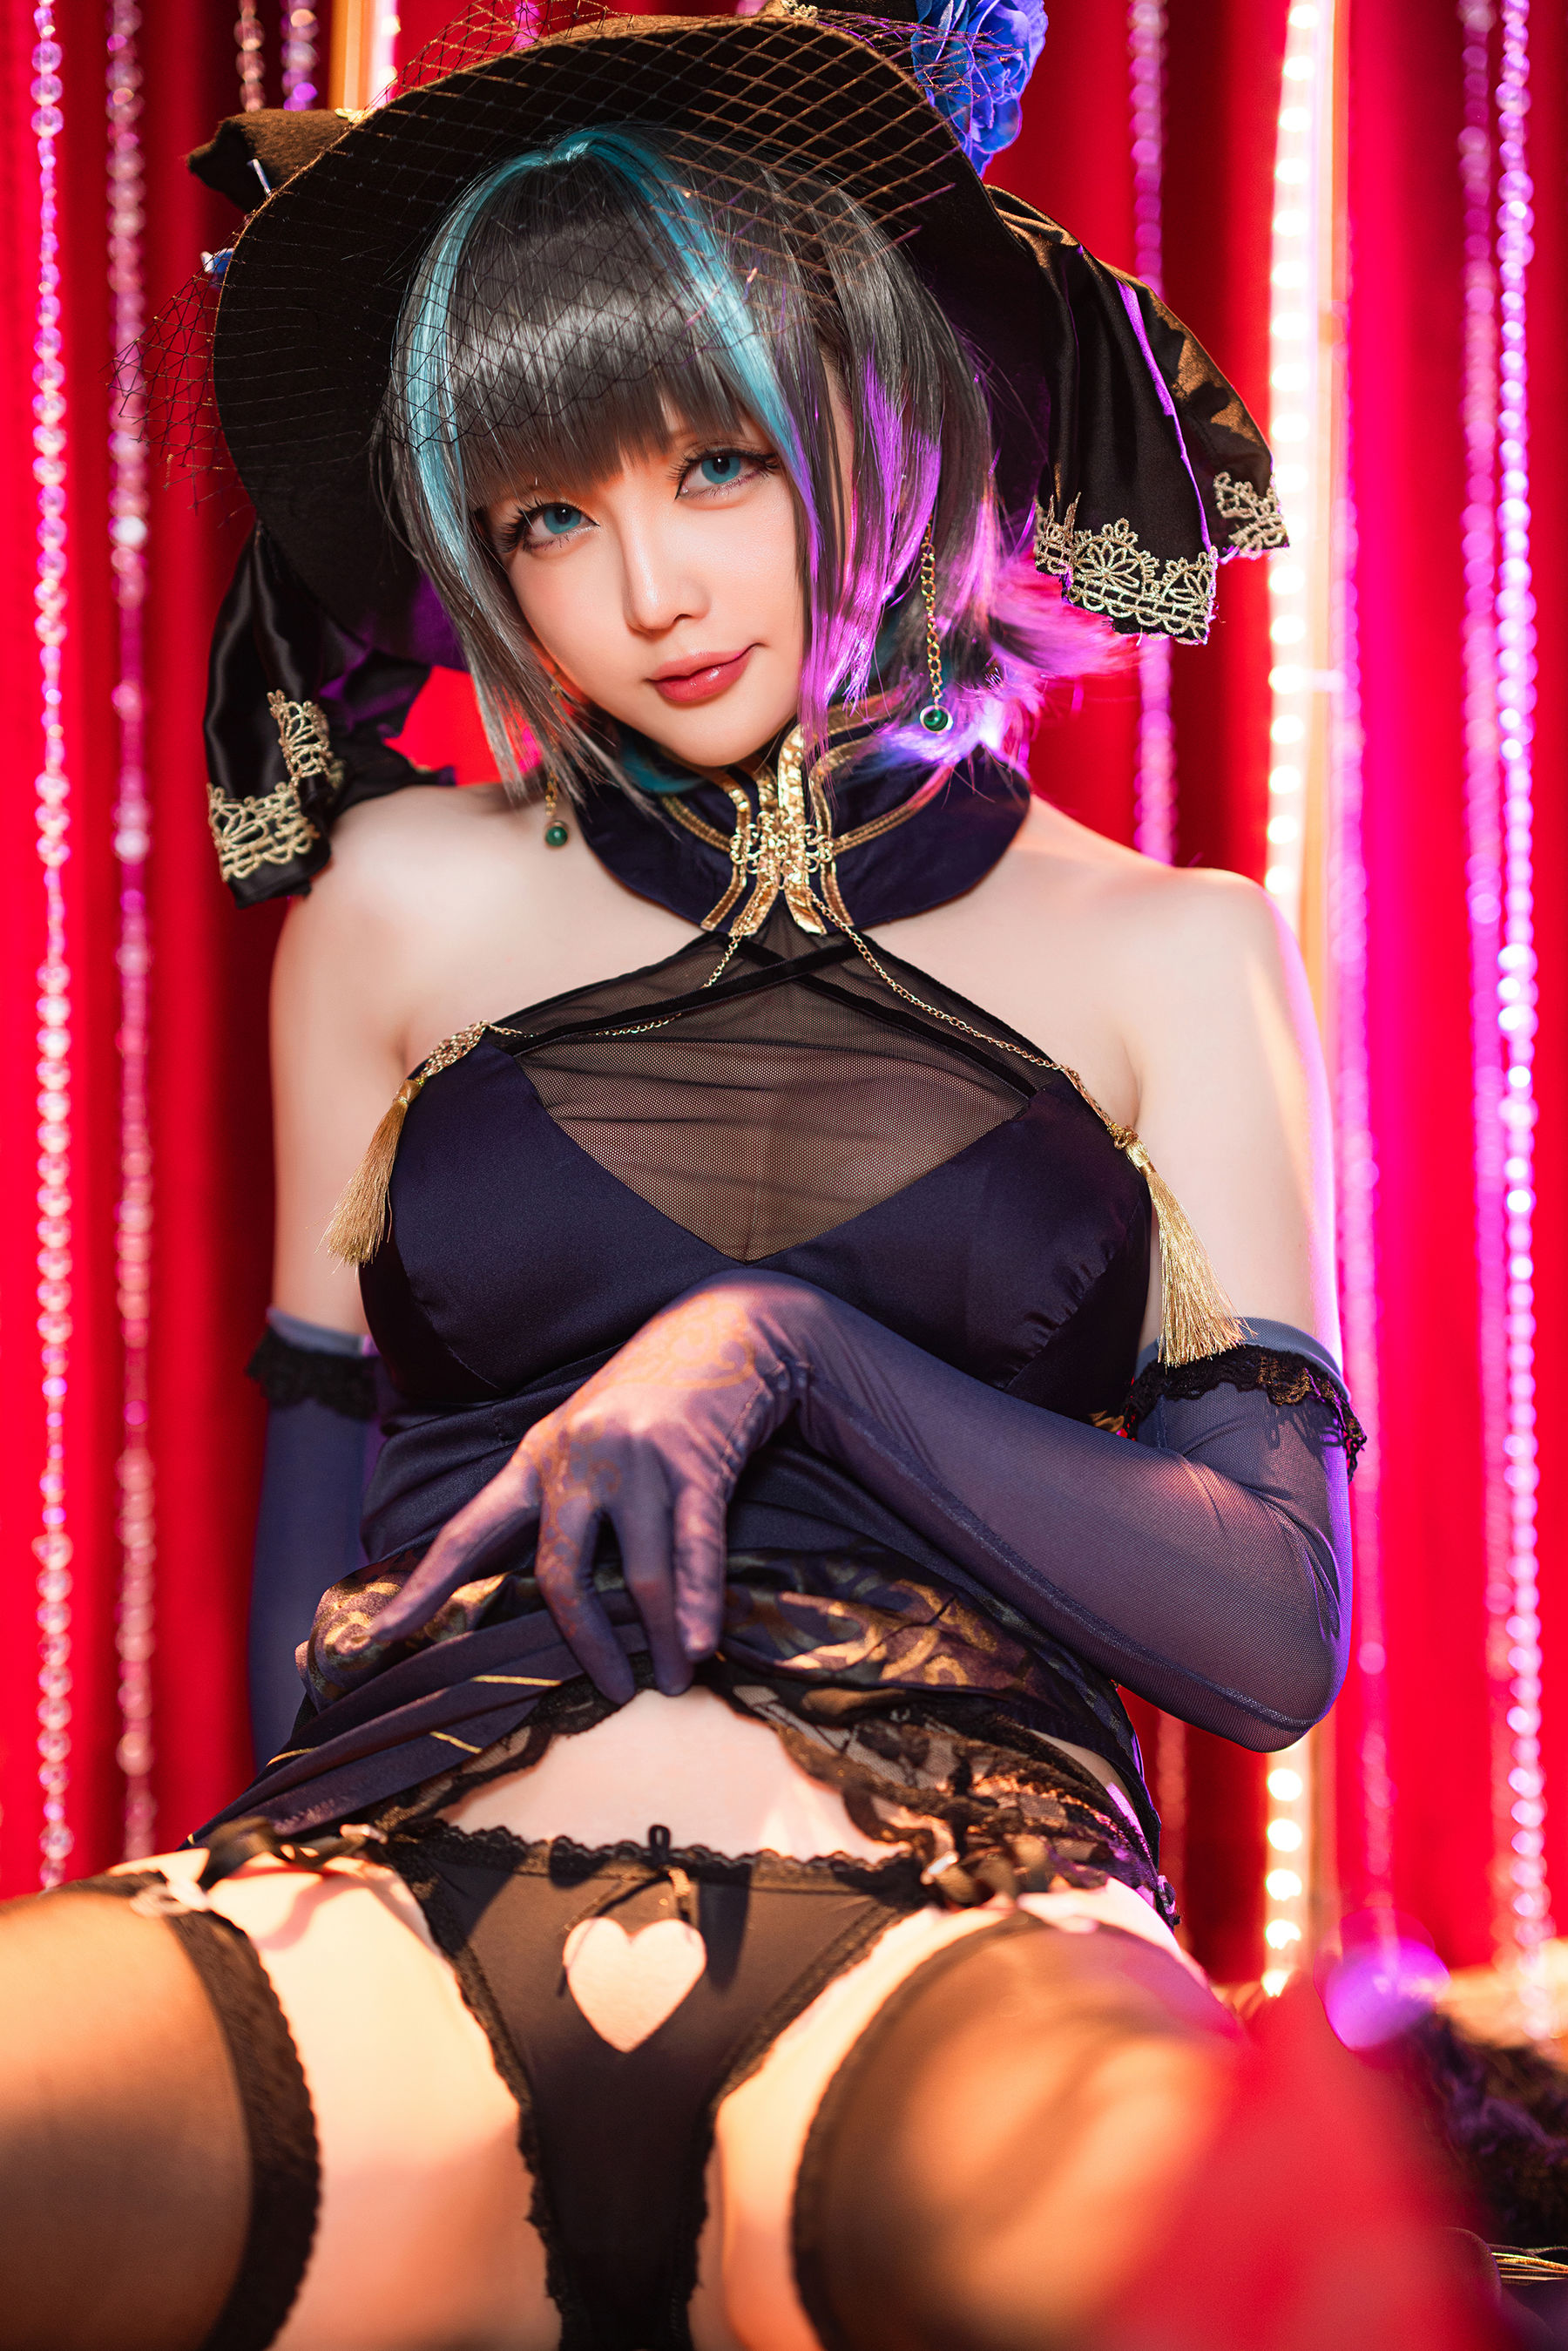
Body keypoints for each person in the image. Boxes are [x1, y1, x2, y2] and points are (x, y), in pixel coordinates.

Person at [0, 7, 1400, 2348]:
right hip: (389, 1940)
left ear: (892, 418)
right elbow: (311, 1576)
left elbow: (1269, 1640)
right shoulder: (391, 910)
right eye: (549, 518)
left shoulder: (1171, 948)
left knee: (1242, 2254)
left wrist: (791, 1349)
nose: (646, 589)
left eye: (718, 465)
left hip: (954, 1930)